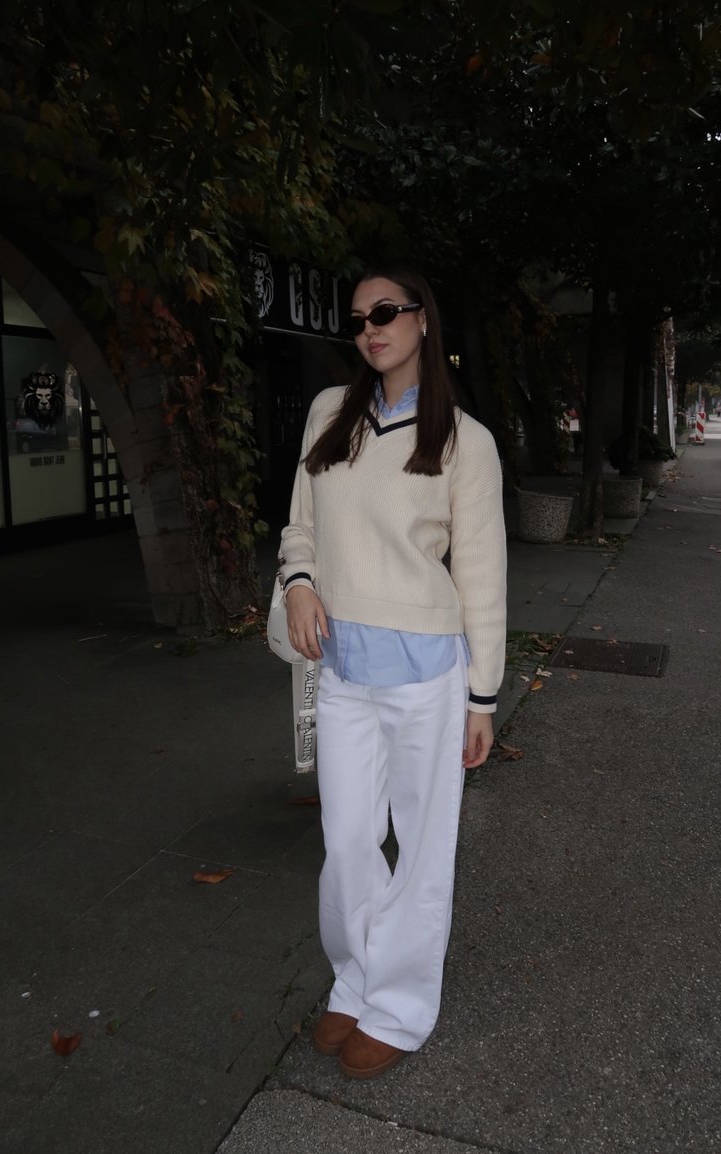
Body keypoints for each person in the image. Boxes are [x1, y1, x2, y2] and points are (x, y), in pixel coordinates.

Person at [279, 264, 507, 1079]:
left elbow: (481, 575)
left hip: (426, 680)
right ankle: (357, 979)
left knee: (420, 850)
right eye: (358, 317)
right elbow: (298, 529)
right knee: (345, 844)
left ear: (421, 320)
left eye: (386, 311)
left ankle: (403, 1007)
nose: (370, 326)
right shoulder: (327, 416)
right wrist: (300, 582)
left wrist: (483, 698)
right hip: (342, 672)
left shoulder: (464, 442)